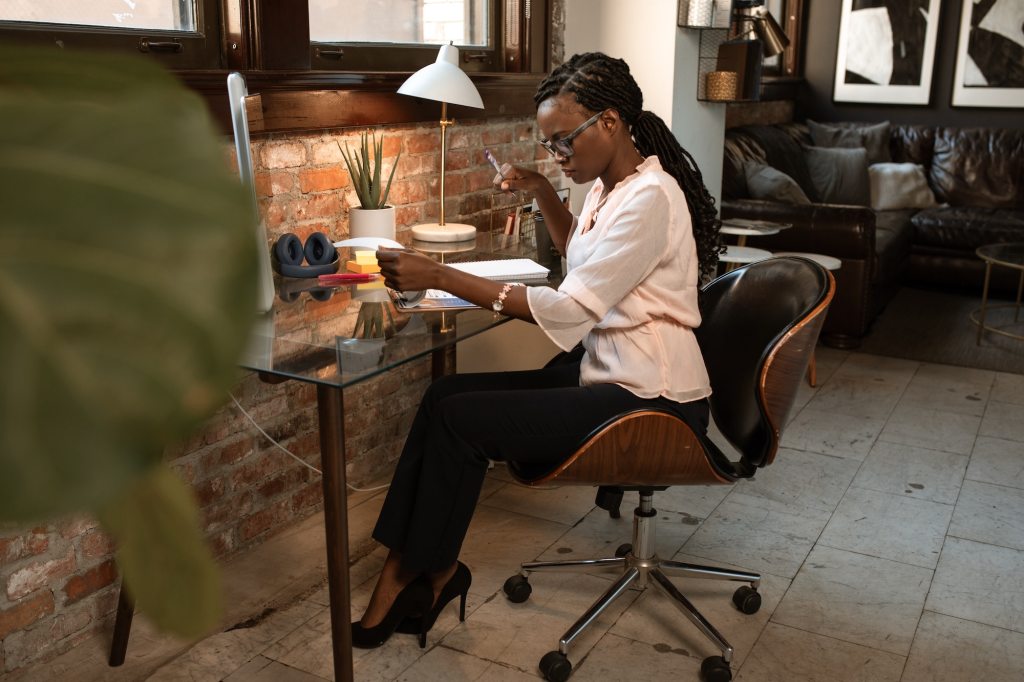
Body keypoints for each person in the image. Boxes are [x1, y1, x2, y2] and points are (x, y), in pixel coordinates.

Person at [352, 51, 723, 649]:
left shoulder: (651, 197)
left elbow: (573, 307)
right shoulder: (614, 186)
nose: (557, 155)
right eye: (549, 146)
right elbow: (586, 257)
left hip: (653, 398)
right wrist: (546, 191)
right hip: (613, 374)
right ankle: (424, 567)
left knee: (458, 420)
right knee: (445, 394)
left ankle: (416, 572)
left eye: (563, 143)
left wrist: (440, 276)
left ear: (609, 122)